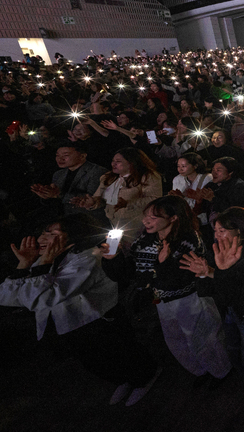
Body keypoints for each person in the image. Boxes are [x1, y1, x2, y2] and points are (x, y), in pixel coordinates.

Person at [1, 215, 159, 406]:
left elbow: (46, 297)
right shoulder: (47, 258)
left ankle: (146, 377)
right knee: (96, 362)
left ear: (72, 235)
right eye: (43, 232)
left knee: (121, 354)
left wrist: (40, 267)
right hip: (70, 324)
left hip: (99, 320)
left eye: (52, 234)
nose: (42, 238)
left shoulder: (88, 257)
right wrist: (23, 265)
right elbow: (8, 298)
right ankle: (126, 380)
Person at [102, 196, 231, 386]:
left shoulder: (188, 240)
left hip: (189, 298)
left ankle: (221, 372)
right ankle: (200, 371)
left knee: (204, 338)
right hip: (161, 301)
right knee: (176, 341)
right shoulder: (144, 241)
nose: (146, 221)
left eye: (154, 217)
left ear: (173, 218)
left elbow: (182, 277)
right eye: (146, 216)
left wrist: (162, 266)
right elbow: (130, 274)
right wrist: (113, 258)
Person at [178, 207, 244, 404]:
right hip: (230, 310)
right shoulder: (217, 250)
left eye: (223, 230)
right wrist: (205, 273)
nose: (217, 235)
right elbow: (213, 289)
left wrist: (217, 272)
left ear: (239, 230)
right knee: (235, 348)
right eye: (216, 230)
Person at [73, 147, 163, 231]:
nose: (113, 164)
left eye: (118, 161)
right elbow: (99, 198)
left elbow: (154, 199)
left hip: (137, 225)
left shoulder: (148, 177)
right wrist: (91, 202)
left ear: (132, 163)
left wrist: (128, 203)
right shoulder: (108, 178)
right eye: (113, 161)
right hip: (112, 224)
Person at [30, 142, 107, 218]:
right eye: (57, 155)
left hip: (88, 218)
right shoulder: (59, 174)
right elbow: (56, 200)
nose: (60, 159)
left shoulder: (97, 172)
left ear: (82, 156)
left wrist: (58, 194)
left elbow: (94, 198)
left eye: (66, 155)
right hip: (63, 217)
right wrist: (46, 195)